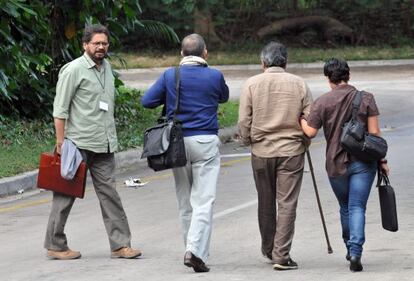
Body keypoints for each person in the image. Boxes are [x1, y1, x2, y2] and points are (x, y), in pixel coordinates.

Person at [44, 24, 141, 260]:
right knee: (65, 195)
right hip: (78, 143)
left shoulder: (107, 67)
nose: (100, 47)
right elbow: (60, 110)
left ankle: (120, 245)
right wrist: (60, 143)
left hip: (105, 144)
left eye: (104, 43)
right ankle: (55, 245)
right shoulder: (73, 70)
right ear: (85, 45)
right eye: (96, 43)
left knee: (110, 195)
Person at [141, 34, 229, 273]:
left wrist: (169, 98)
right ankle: (194, 251)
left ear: (181, 53)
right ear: (205, 53)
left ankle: (190, 248)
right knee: (204, 200)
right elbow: (224, 97)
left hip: (176, 143)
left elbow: (146, 101)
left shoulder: (171, 75)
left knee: (185, 200)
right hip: (205, 141)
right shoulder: (214, 75)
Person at [300, 58, 390, 272]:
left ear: (328, 78)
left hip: (335, 163)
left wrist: (301, 120)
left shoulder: (322, 102)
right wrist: (383, 161)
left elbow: (310, 132)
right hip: (364, 162)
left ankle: (349, 248)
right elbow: (375, 133)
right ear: (348, 75)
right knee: (357, 206)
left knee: (345, 207)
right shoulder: (366, 98)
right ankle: (356, 251)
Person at [238, 42, 313, 271]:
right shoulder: (300, 84)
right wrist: (304, 140)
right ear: (285, 63)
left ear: (263, 63)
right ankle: (282, 254)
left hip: (261, 152)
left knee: (266, 201)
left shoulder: (251, 84)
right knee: (287, 203)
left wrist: (247, 140)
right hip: (291, 152)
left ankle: (270, 249)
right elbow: (309, 119)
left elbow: (243, 121)